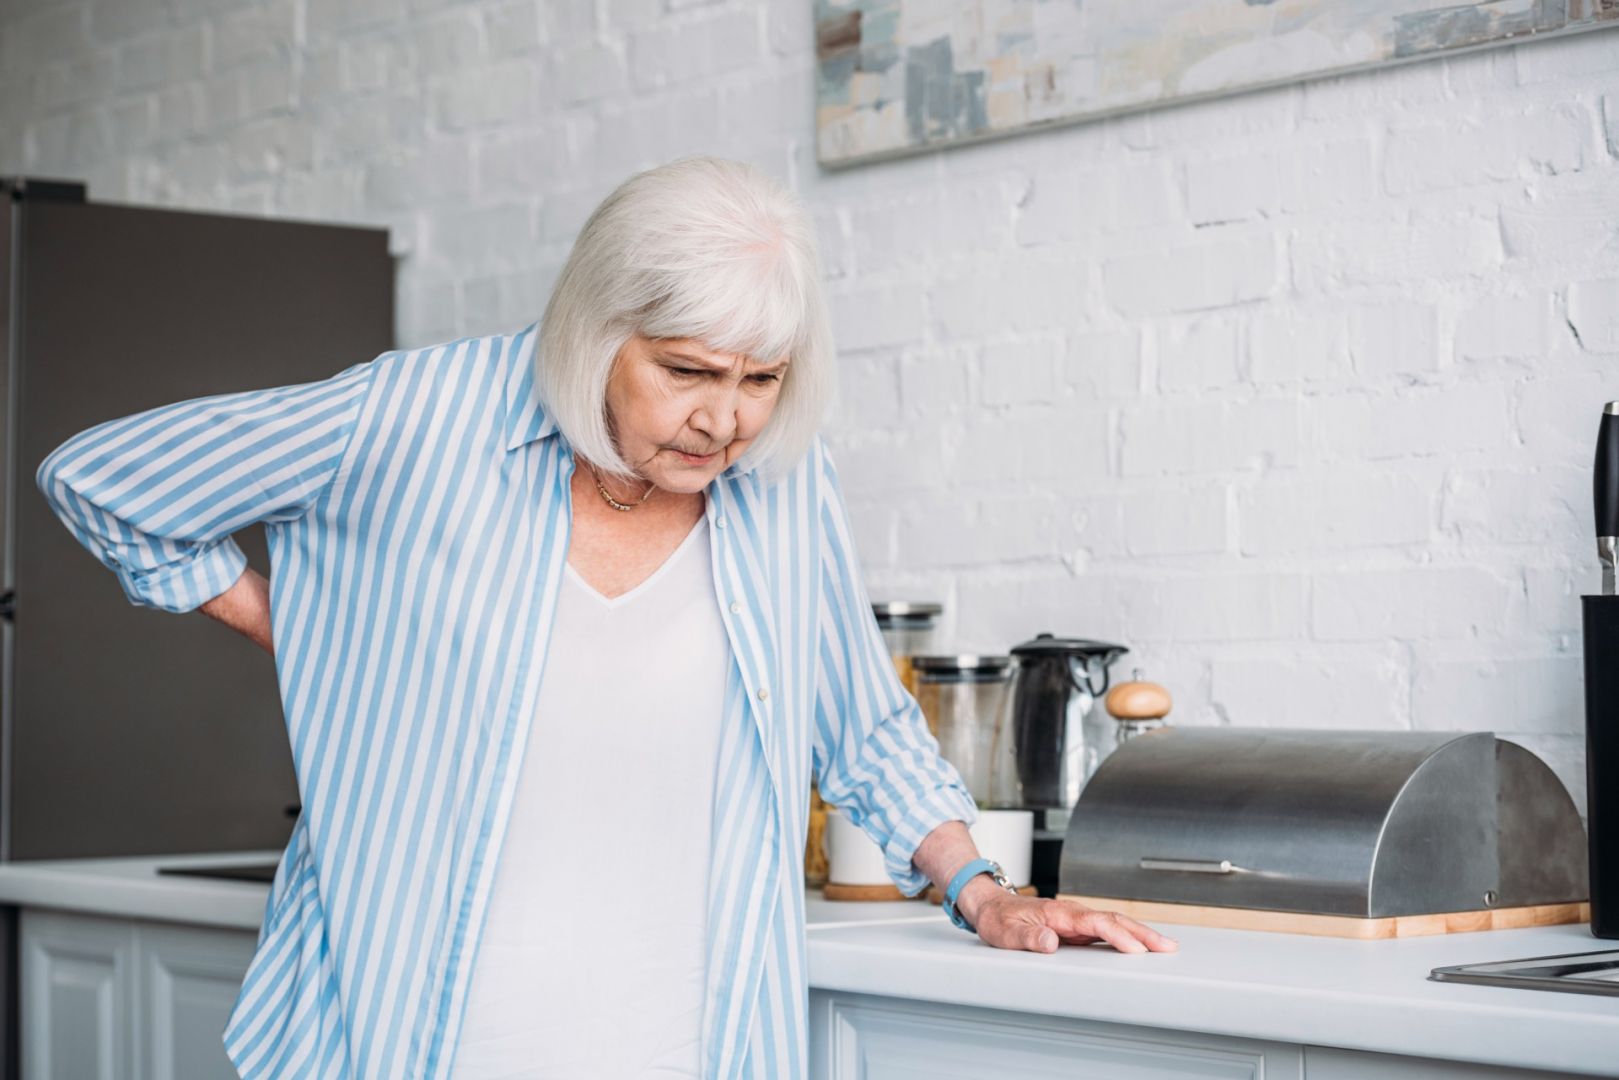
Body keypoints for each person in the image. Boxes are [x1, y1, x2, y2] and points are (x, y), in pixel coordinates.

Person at [35, 155, 1176, 1080]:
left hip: (689, 1043)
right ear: (593, 328)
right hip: (408, 1041)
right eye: (684, 370)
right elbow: (105, 479)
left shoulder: (780, 480)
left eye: (760, 378)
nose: (724, 420)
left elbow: (855, 719)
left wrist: (986, 894)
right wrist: (287, 622)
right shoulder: (415, 419)